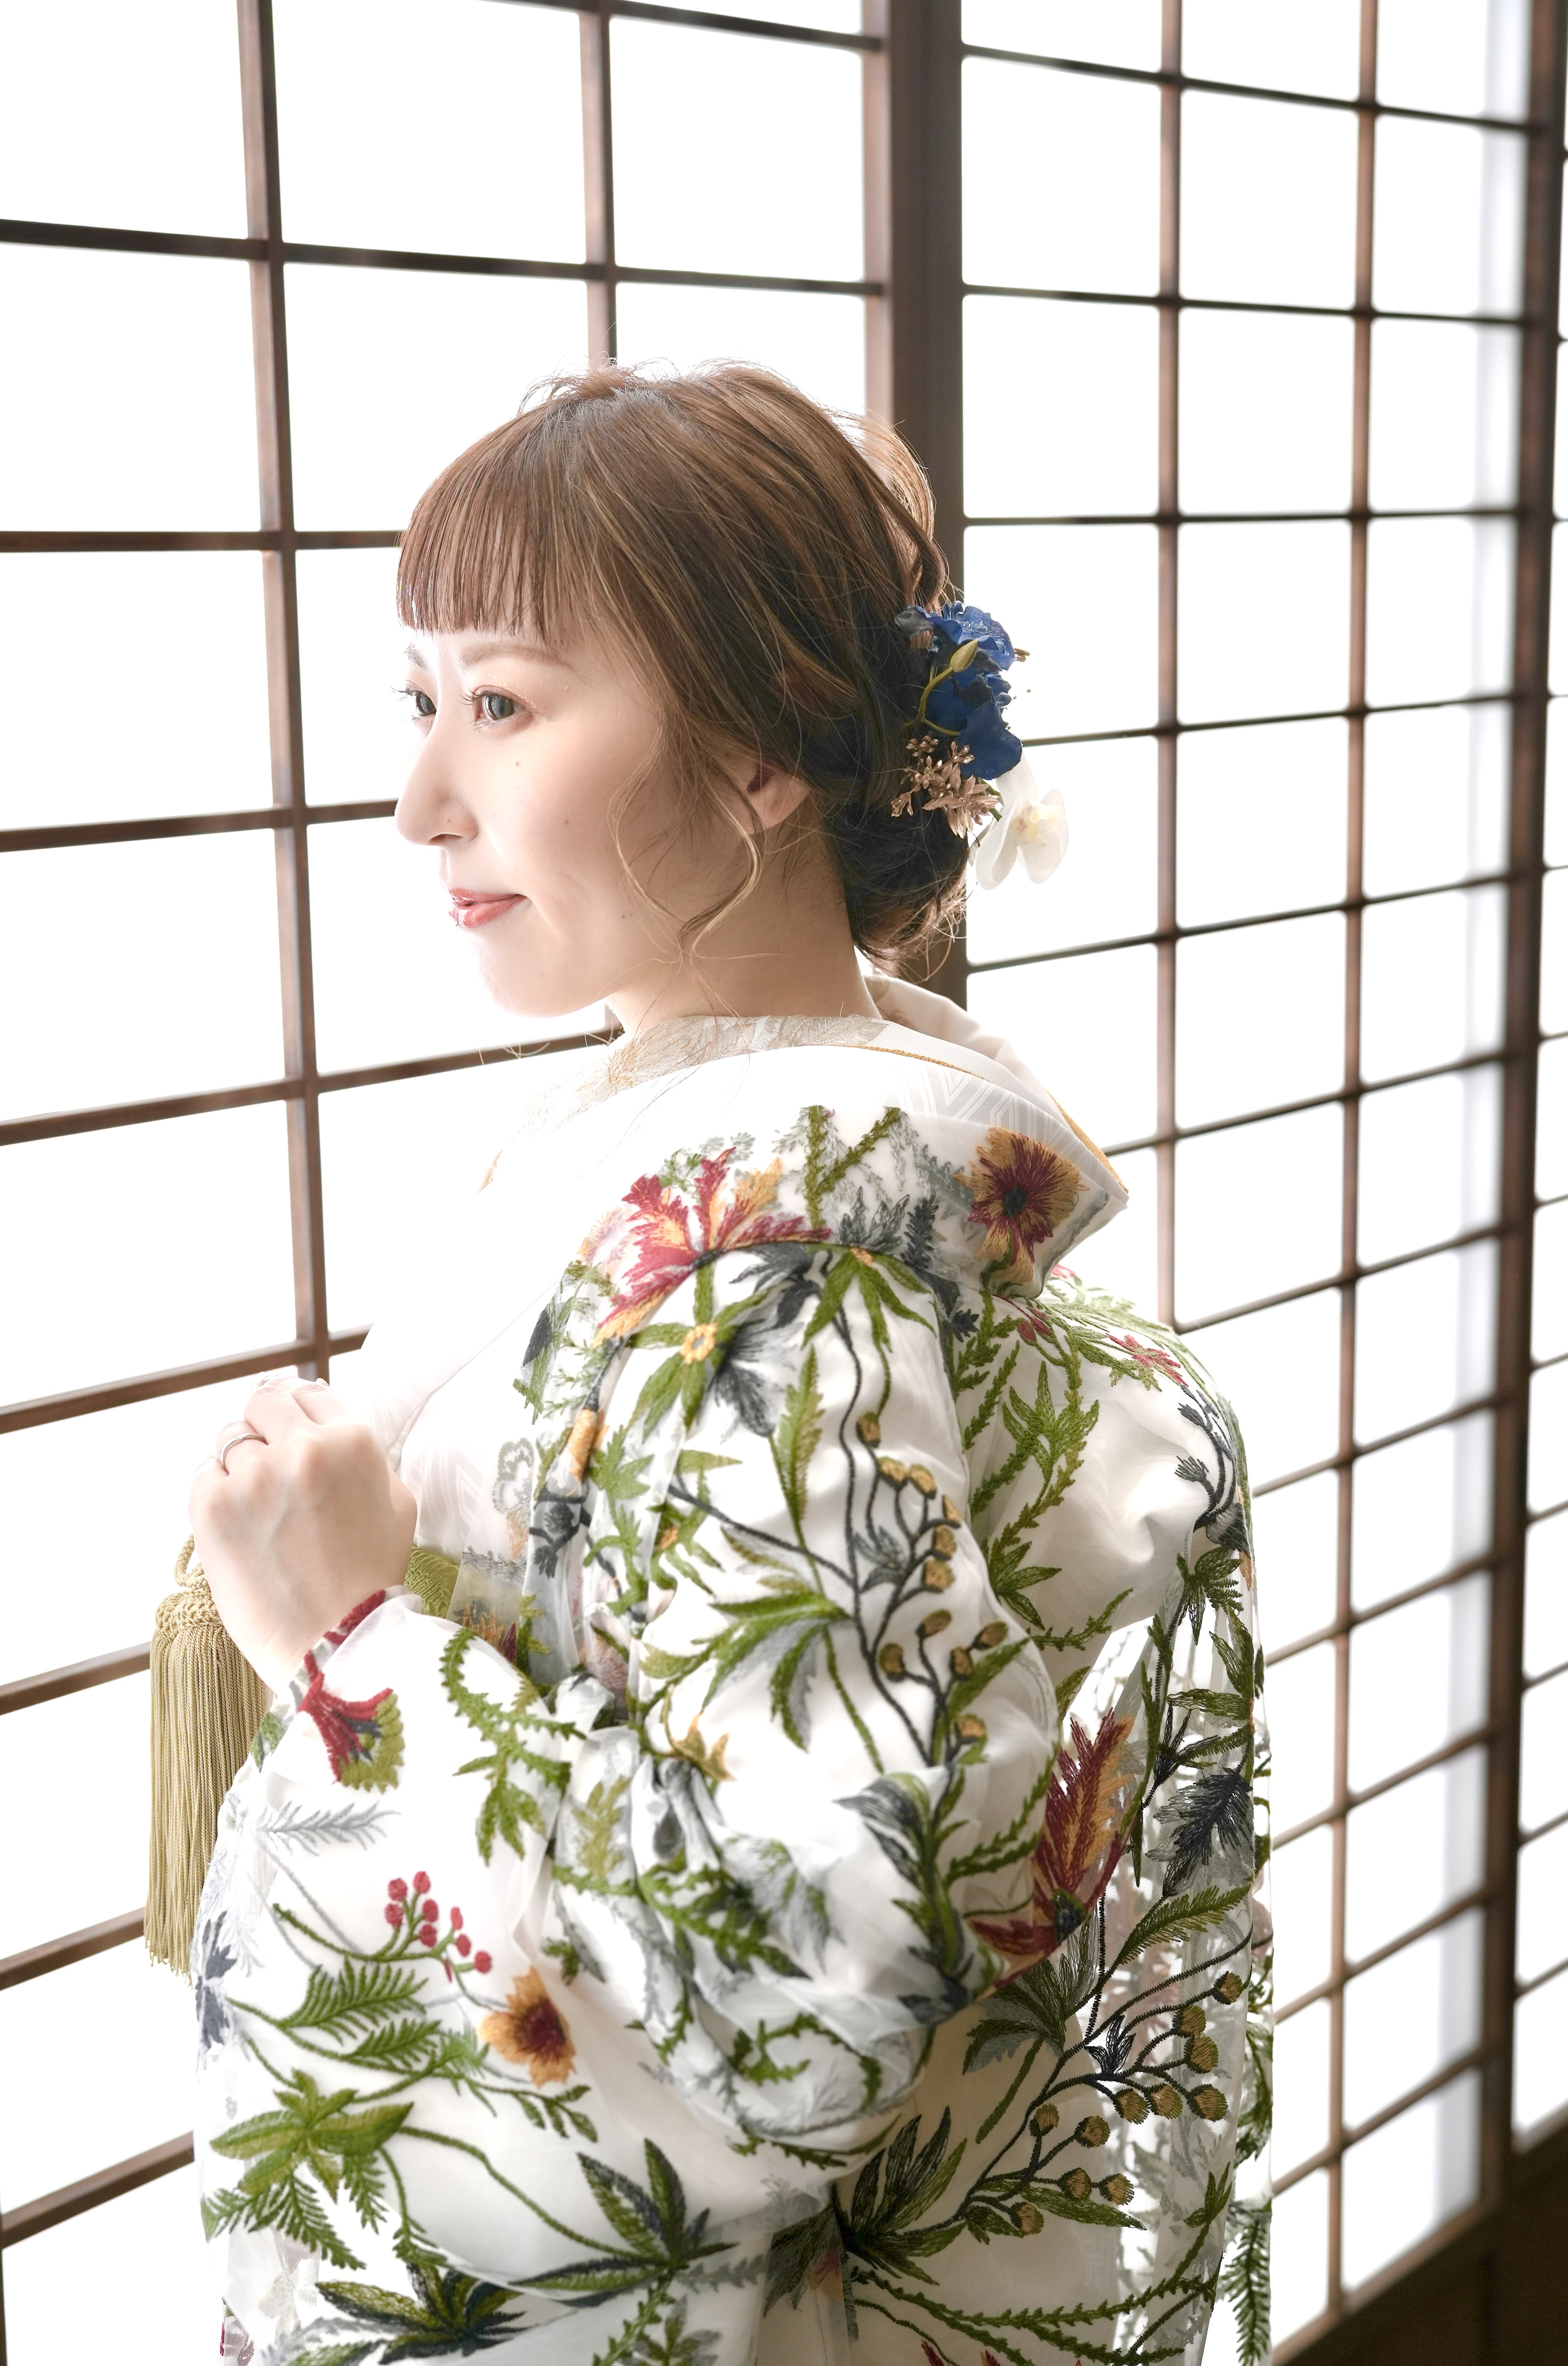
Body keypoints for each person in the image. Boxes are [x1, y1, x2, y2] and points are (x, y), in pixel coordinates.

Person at [186, 365, 1269, 2366]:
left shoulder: (767, 1277)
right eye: (421, 702)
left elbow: (799, 1980)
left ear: (765, 750)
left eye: (505, 704)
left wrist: (354, 1644)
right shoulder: (782, 1154)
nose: (424, 798)